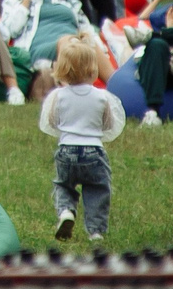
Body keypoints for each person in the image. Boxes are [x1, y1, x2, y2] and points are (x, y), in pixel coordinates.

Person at [38, 35, 126, 244]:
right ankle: (95, 231)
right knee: (97, 188)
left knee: (63, 184)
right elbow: (110, 122)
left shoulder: (58, 96)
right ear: (92, 69)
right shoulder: (102, 96)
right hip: (94, 151)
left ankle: (66, 211)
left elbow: (50, 120)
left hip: (66, 149)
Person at [0, 0, 88, 100]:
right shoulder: (13, 2)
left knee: (85, 44)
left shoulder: (69, 2)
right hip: (40, 48)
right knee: (69, 42)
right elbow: (11, 31)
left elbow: (85, 26)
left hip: (73, 43)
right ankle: (72, 94)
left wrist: (92, 41)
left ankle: (114, 90)